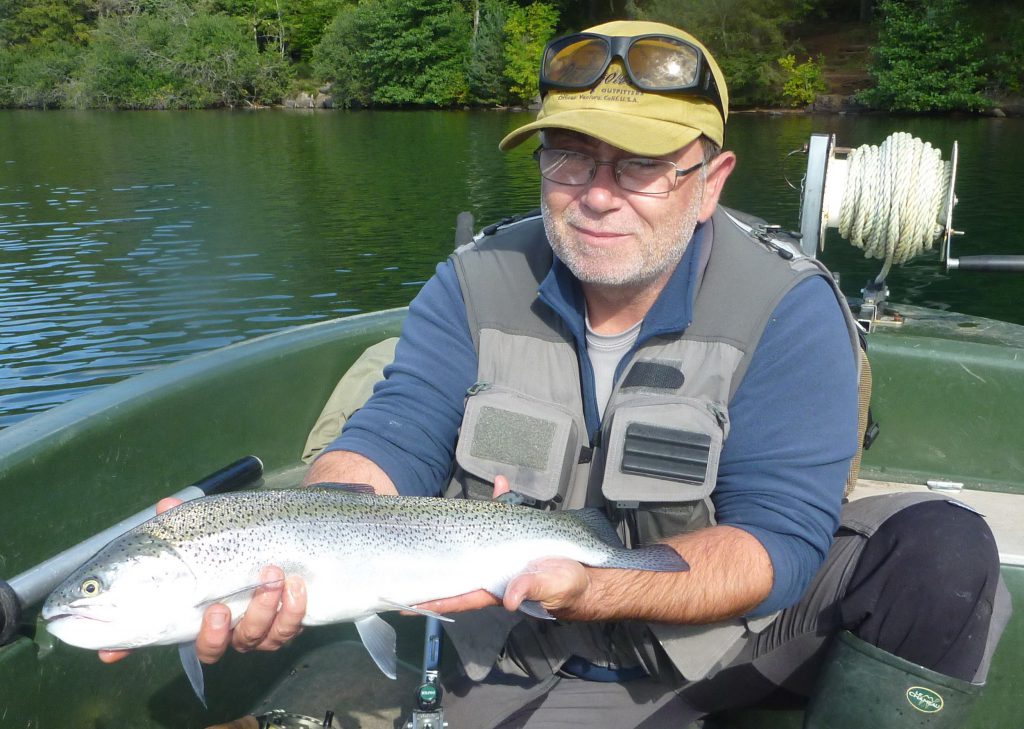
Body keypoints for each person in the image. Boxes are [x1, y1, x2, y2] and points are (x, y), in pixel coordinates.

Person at [103, 19, 1009, 728]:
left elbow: (777, 544)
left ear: (711, 180)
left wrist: (598, 581)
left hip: (720, 639)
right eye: (570, 156)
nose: (599, 192)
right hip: (518, 645)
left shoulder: (787, 307)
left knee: (943, 553)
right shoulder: (474, 283)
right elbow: (392, 439)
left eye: (643, 165)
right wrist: (282, 530)